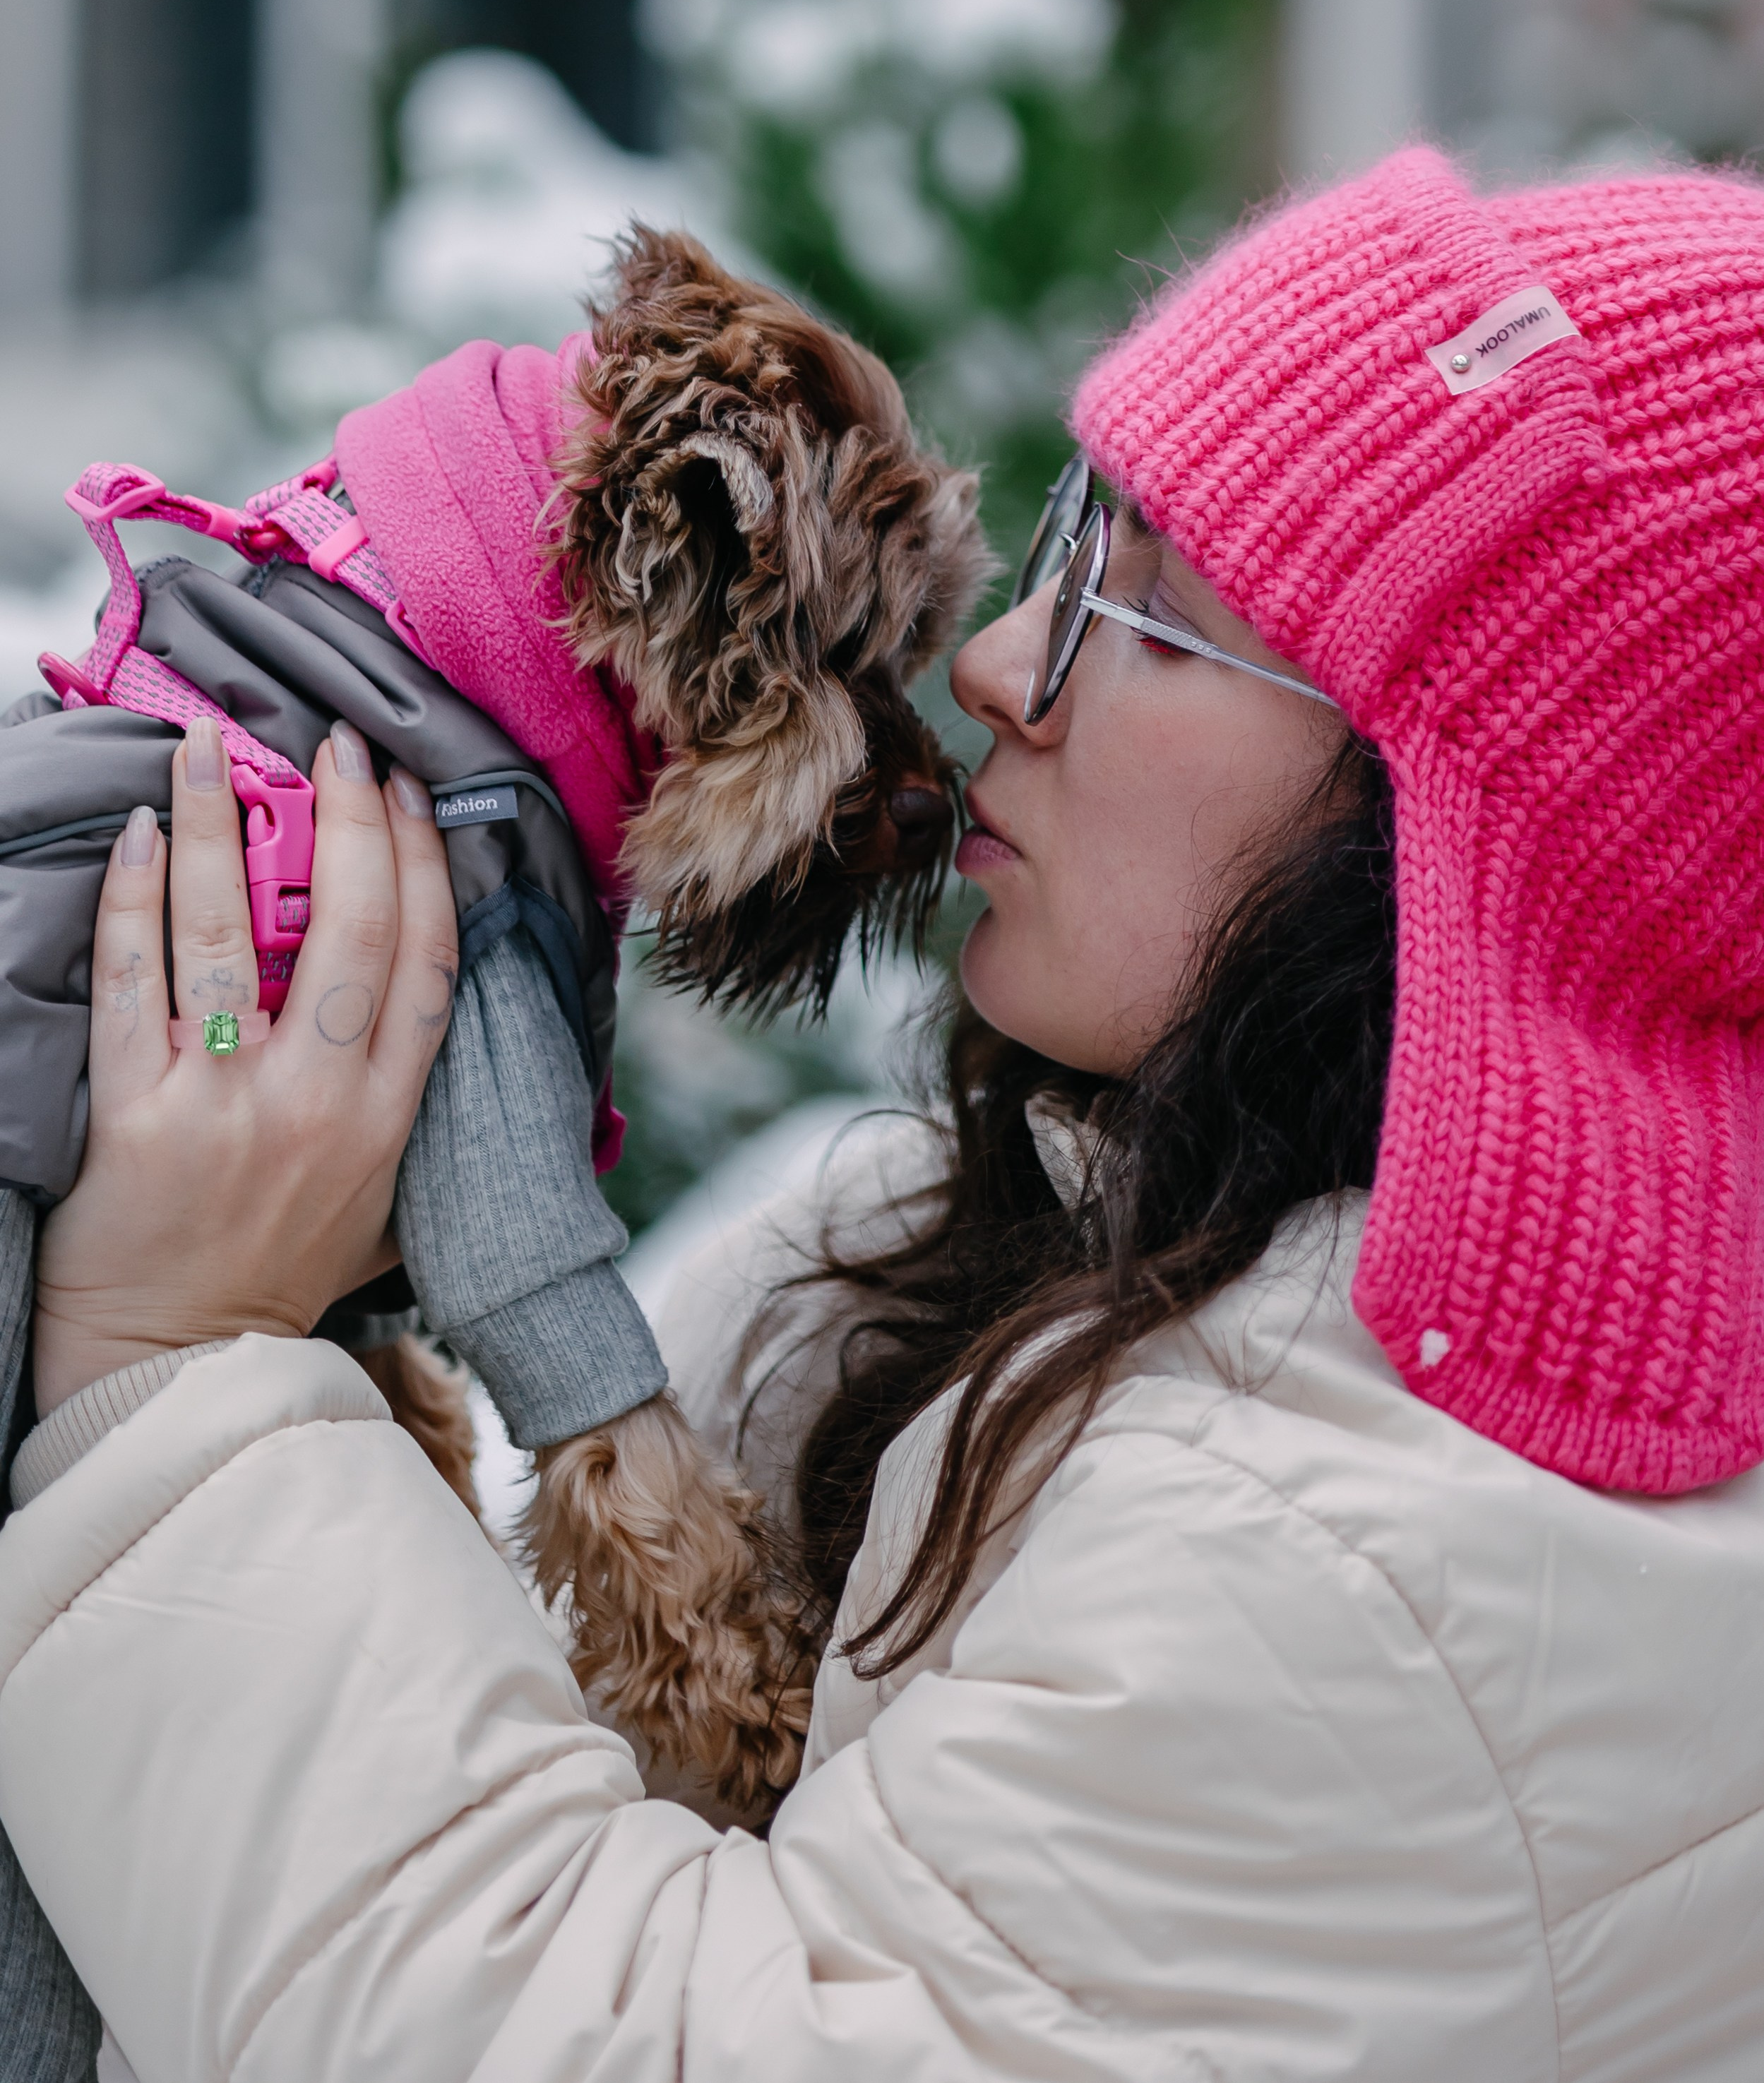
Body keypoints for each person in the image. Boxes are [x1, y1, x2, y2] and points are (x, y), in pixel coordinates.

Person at [4, 144, 1763, 2083]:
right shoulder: (1086, 1226)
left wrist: (169, 1378)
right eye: (1073, 537)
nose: (999, 662)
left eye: (1143, 602)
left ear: (1469, 824)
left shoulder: (1365, 1583)